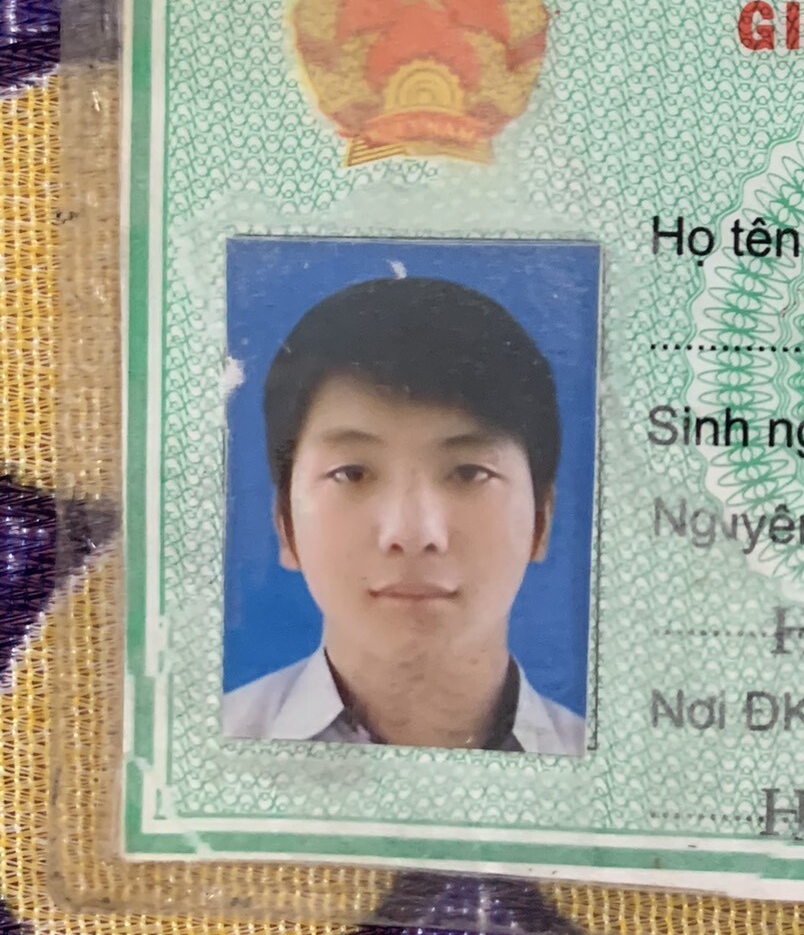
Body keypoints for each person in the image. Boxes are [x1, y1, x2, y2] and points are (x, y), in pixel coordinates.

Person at [222, 275, 586, 753]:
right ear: (285, 525)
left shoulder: (609, 768)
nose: (413, 533)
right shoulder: (207, 750)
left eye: (469, 472)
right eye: (352, 473)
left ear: (541, 519)